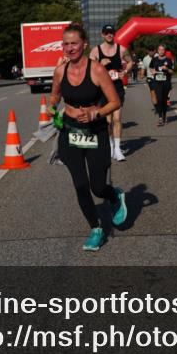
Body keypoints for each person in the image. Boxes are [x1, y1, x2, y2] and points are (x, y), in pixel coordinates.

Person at [49, 23, 127, 251]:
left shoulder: (96, 70)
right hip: (70, 133)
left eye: (74, 43)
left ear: (84, 44)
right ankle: (96, 228)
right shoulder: (60, 71)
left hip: (95, 131)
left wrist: (96, 113)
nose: (69, 48)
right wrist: (53, 109)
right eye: (65, 43)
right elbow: (54, 96)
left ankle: (114, 196)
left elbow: (115, 101)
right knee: (80, 185)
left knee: (98, 187)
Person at [89, 24, 134, 162]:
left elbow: (131, 62)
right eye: (107, 32)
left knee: (117, 119)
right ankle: (110, 145)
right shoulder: (96, 51)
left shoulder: (121, 50)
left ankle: (117, 150)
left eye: (111, 32)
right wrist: (100, 64)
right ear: (102, 35)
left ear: (114, 34)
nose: (109, 35)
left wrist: (125, 72)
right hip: (103, 90)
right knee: (107, 121)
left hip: (117, 88)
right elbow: (89, 69)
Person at [149, 44, 174, 126]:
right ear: (157, 50)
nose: (161, 51)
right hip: (157, 82)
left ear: (165, 51)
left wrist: (167, 69)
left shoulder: (168, 60)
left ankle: (164, 115)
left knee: (164, 100)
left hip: (166, 82)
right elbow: (151, 67)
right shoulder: (154, 59)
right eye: (160, 49)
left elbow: (172, 72)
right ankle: (160, 117)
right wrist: (153, 71)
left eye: (163, 50)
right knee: (159, 99)